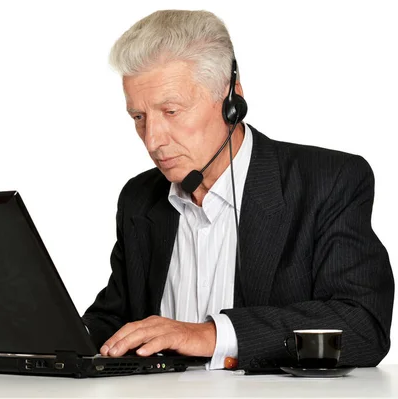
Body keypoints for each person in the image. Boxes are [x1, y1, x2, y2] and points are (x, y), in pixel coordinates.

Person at [81, 9, 394, 370]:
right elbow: (112, 325)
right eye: (139, 117)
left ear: (232, 101)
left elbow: (363, 330)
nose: (152, 140)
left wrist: (211, 335)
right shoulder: (139, 198)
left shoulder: (328, 182)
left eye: (171, 111)